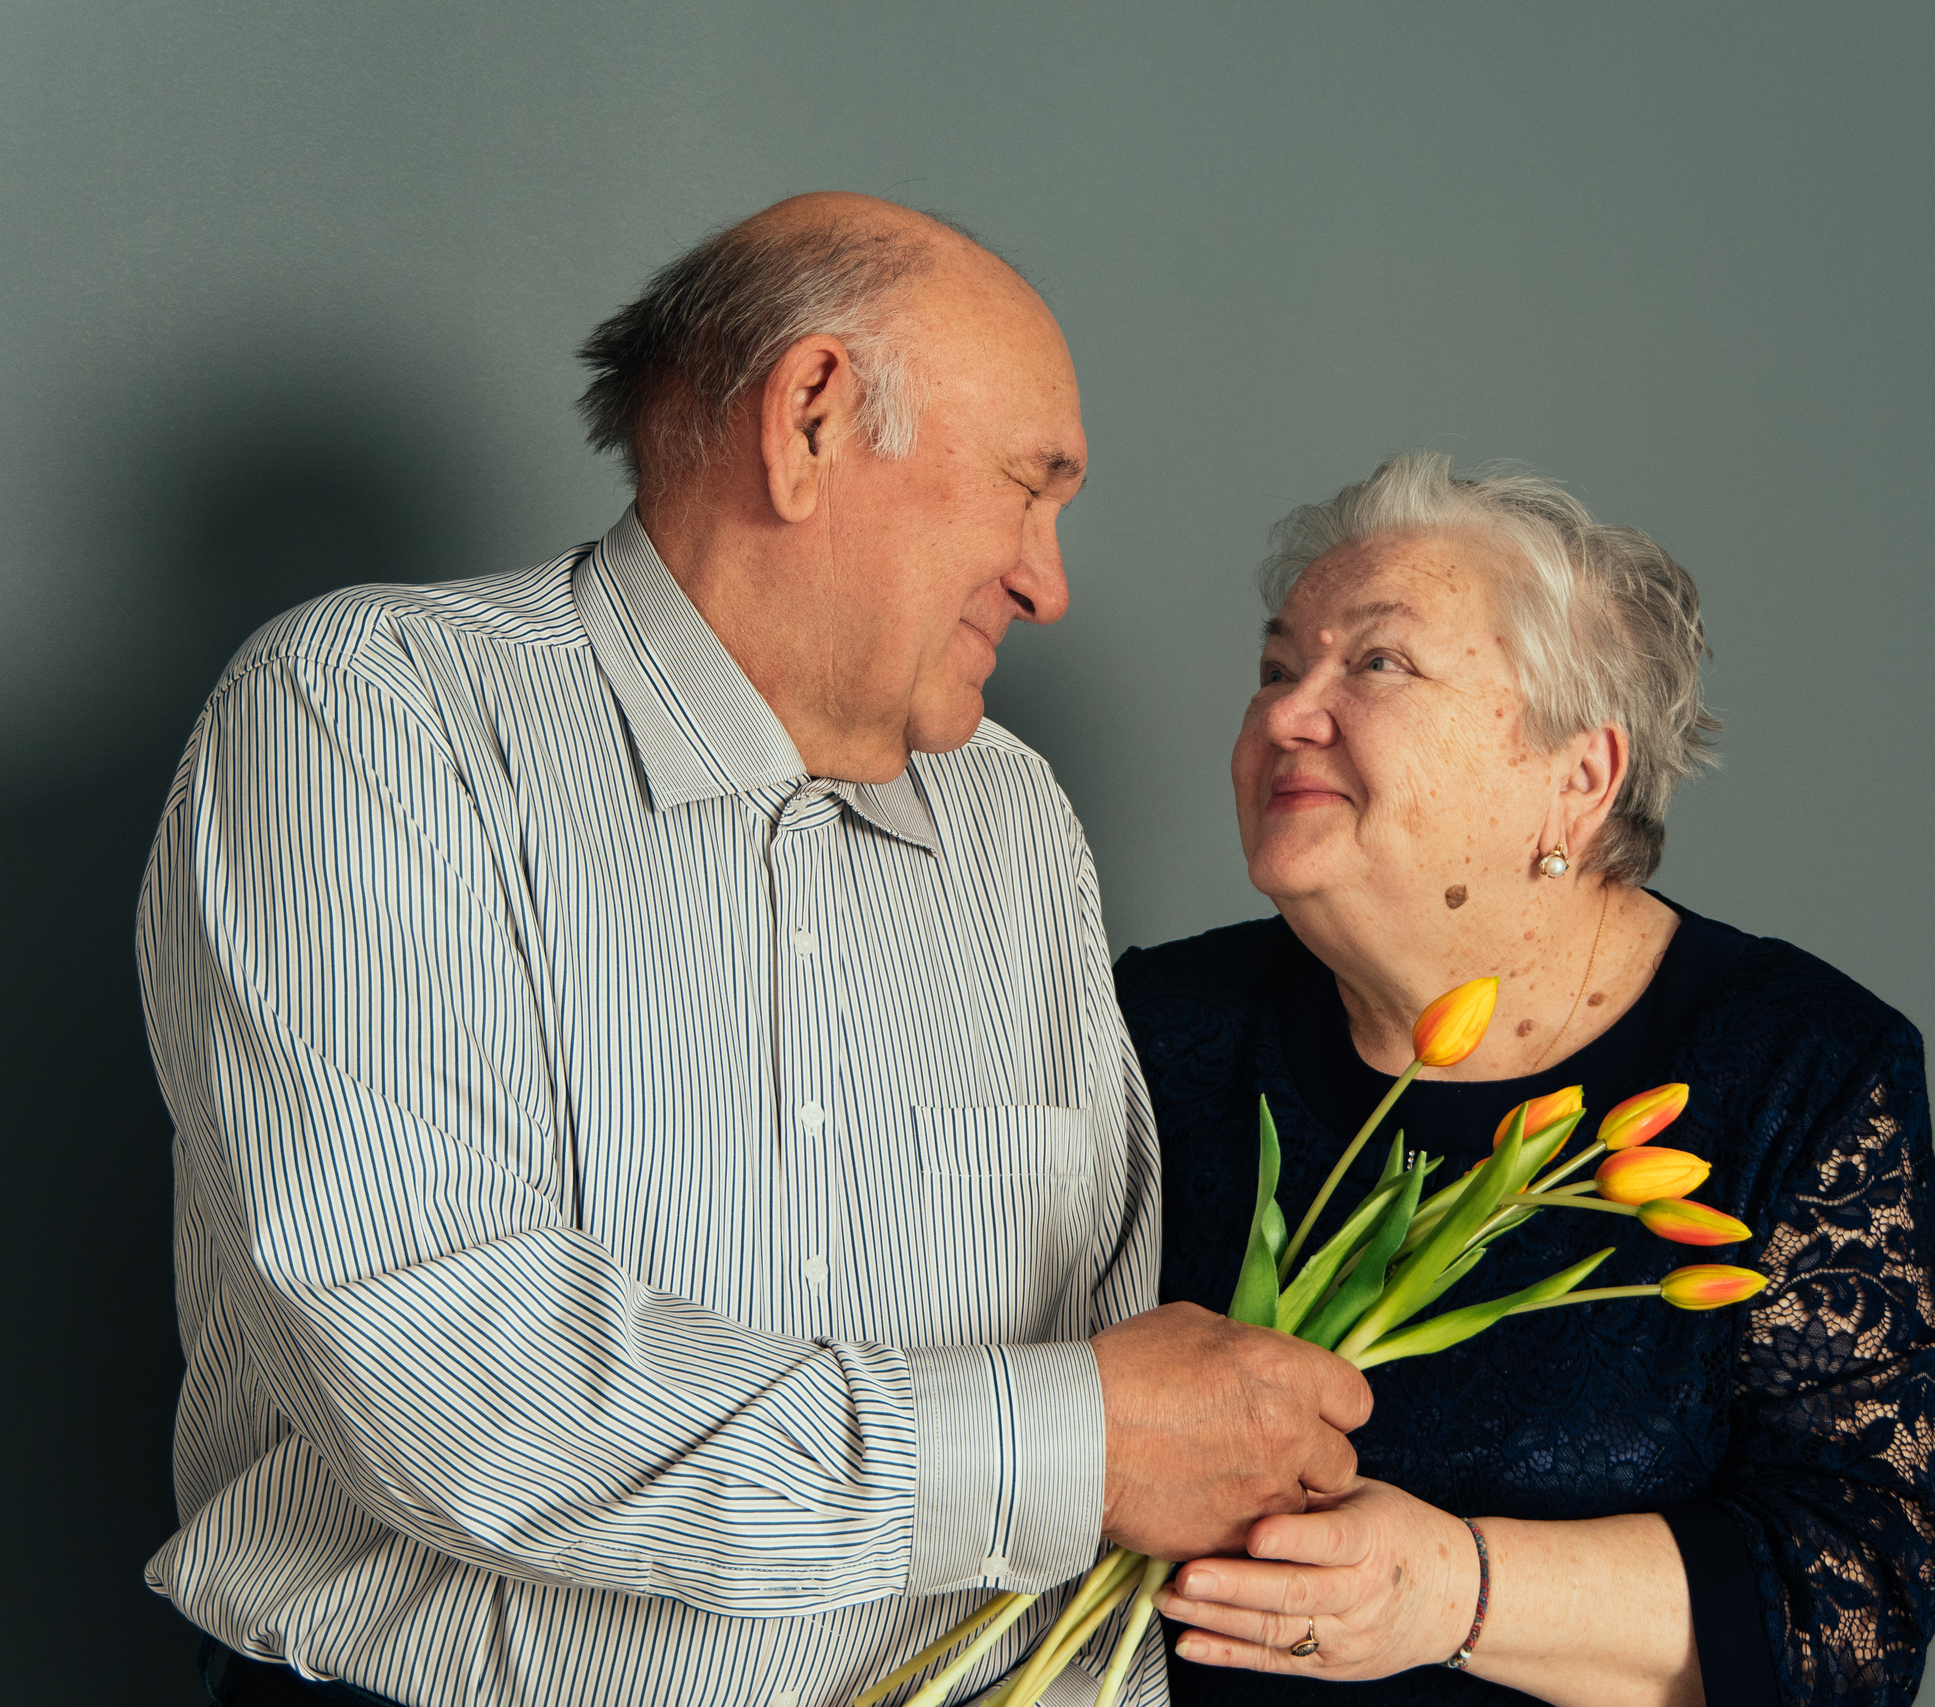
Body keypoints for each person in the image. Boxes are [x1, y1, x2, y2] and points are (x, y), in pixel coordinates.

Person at [139, 193, 1372, 1707]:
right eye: (1027, 487)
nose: (1047, 582)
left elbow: (1102, 1426)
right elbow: (454, 1372)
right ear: (810, 419)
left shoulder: (1013, 816)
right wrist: (1066, 1445)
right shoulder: (373, 717)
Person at [1117, 453, 1935, 1707]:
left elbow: (1854, 1600)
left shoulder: (1798, 1066)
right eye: (1276, 668)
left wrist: (1448, 1592)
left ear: (1577, 778)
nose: (1287, 714)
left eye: (1377, 663)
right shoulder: (1151, 1026)